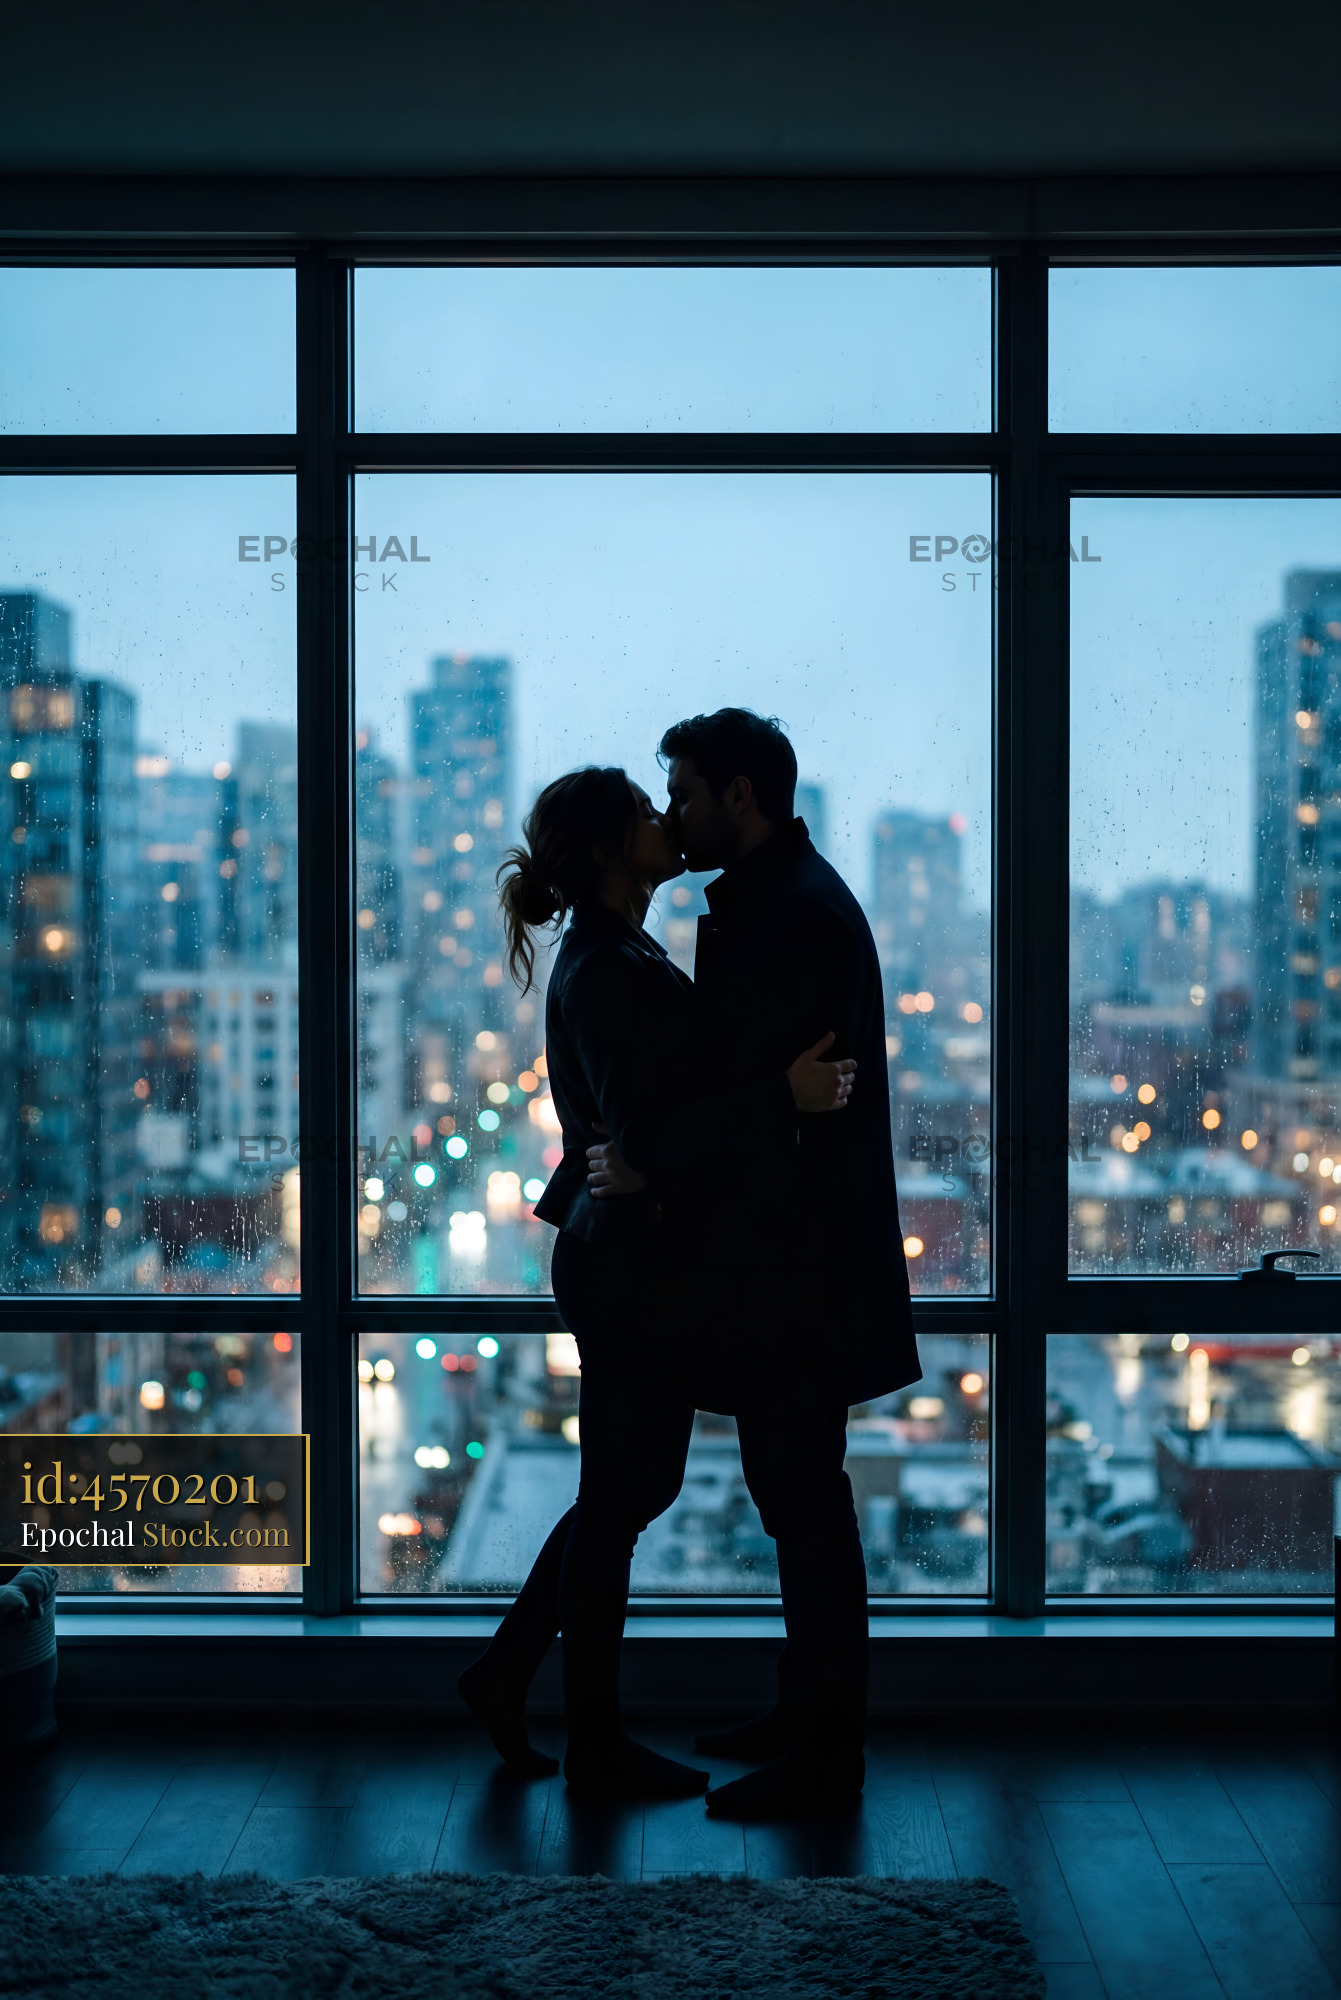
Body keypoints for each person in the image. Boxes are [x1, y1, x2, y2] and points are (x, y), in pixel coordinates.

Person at [457, 764, 856, 1800]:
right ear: (604, 849)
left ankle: (513, 1680)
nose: (662, 818)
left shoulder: (620, 951)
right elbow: (647, 1130)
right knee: (625, 1494)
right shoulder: (609, 967)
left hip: (631, 1261)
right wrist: (787, 1094)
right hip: (624, 1268)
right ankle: (581, 1734)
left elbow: (648, 1124)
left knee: (627, 1491)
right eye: (644, 809)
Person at [589, 708, 919, 1819]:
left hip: (794, 1275)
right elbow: (755, 1094)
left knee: (807, 1509)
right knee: (799, 1501)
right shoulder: (782, 902)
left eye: (683, 790)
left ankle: (827, 1752)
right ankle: (804, 1718)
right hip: (790, 1269)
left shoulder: (788, 920)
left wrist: (656, 1158)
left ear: (740, 795)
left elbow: (765, 1109)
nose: (673, 810)